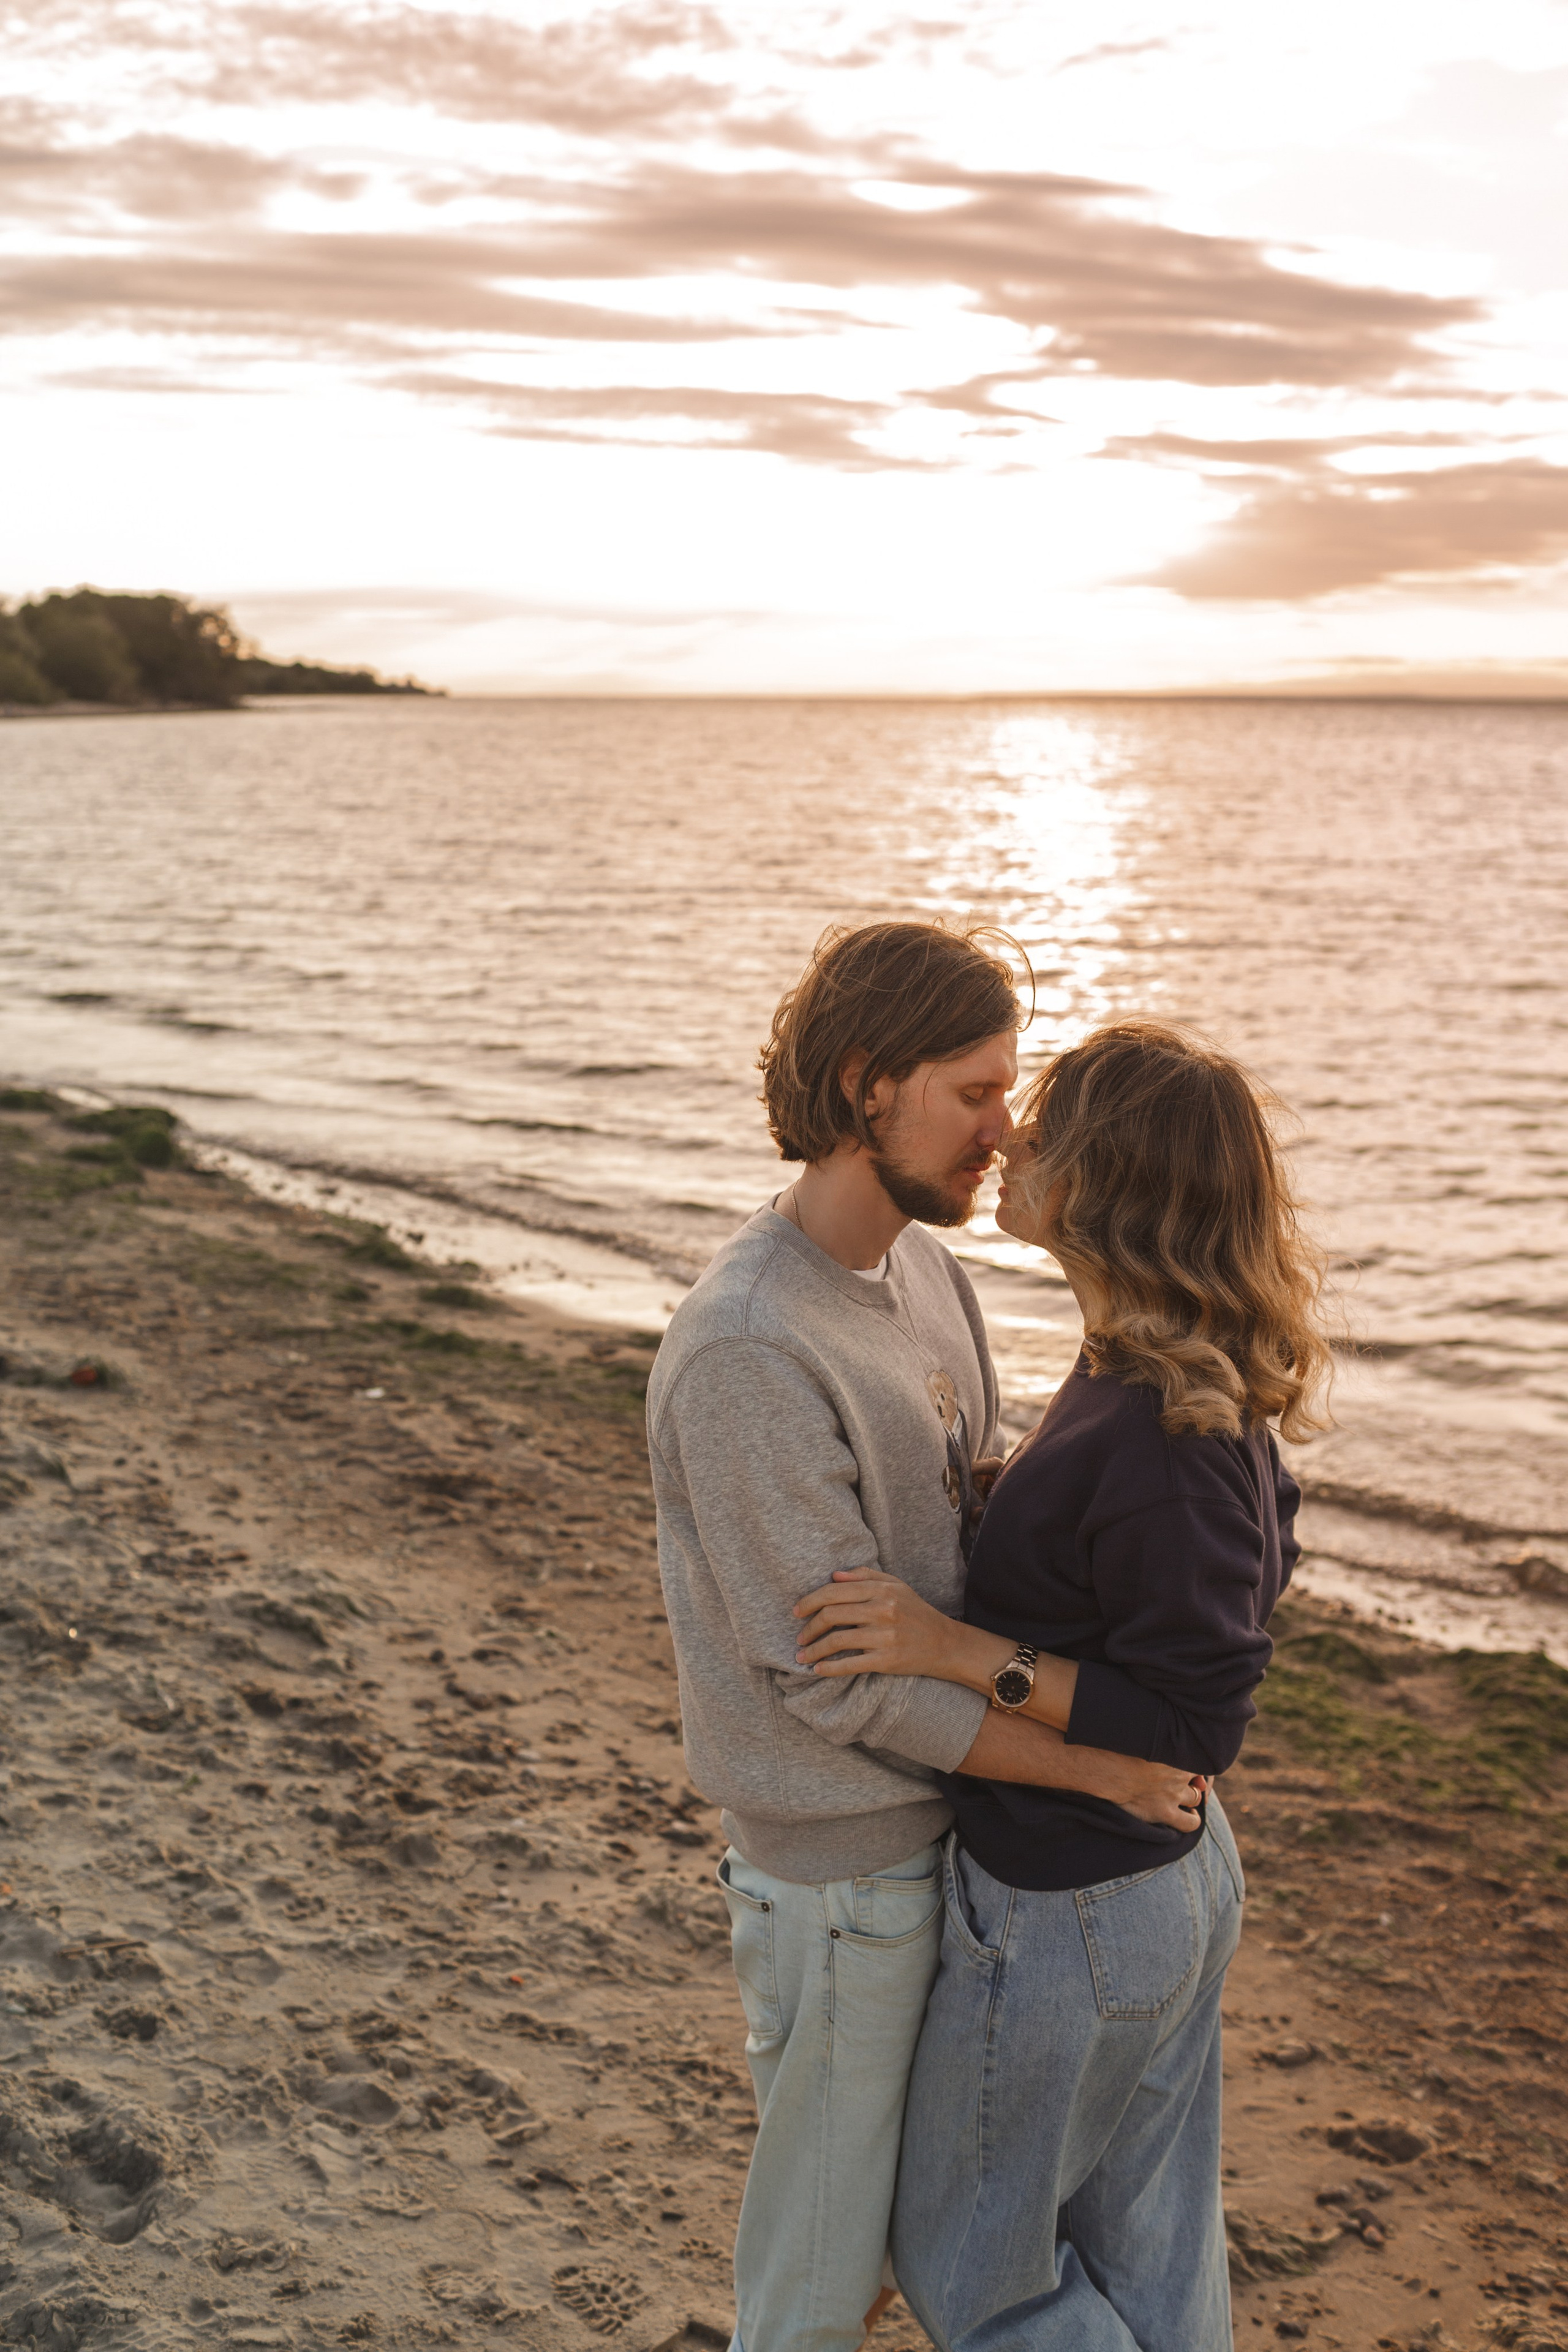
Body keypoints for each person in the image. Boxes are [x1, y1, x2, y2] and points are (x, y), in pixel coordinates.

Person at [646, 929, 1207, 2352]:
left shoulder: (925, 1281)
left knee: (948, 2249)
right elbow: (837, 1692)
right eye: (971, 1093)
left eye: (1005, 1089)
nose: (1002, 1130)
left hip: (959, 1855)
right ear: (863, 1087)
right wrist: (1101, 1769)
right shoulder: (751, 1349)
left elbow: (970, 1560)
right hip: (845, 1885)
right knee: (826, 2276)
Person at [794, 1020, 1330, 2351]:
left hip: (1080, 1906)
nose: (1007, 1139)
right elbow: (1242, 1559)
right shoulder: (1144, 1365)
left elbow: (1196, 1717)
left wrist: (956, 1647)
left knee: (974, 2272)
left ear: (1112, 1181)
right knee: (1148, 2262)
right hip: (1145, 1885)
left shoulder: (1165, 1424)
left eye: (1042, 1123)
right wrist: (1016, 1510)